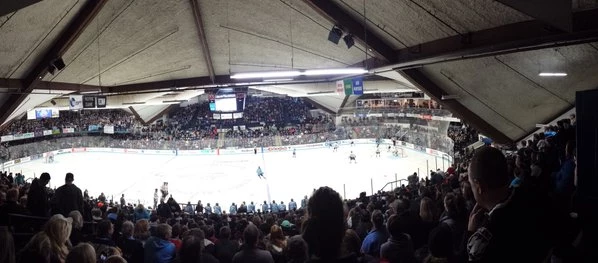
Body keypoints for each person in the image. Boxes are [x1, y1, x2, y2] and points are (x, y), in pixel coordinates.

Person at [467, 146, 557, 262]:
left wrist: (470, 233)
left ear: (479, 186)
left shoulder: (483, 241)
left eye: (471, 184)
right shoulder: (536, 193)